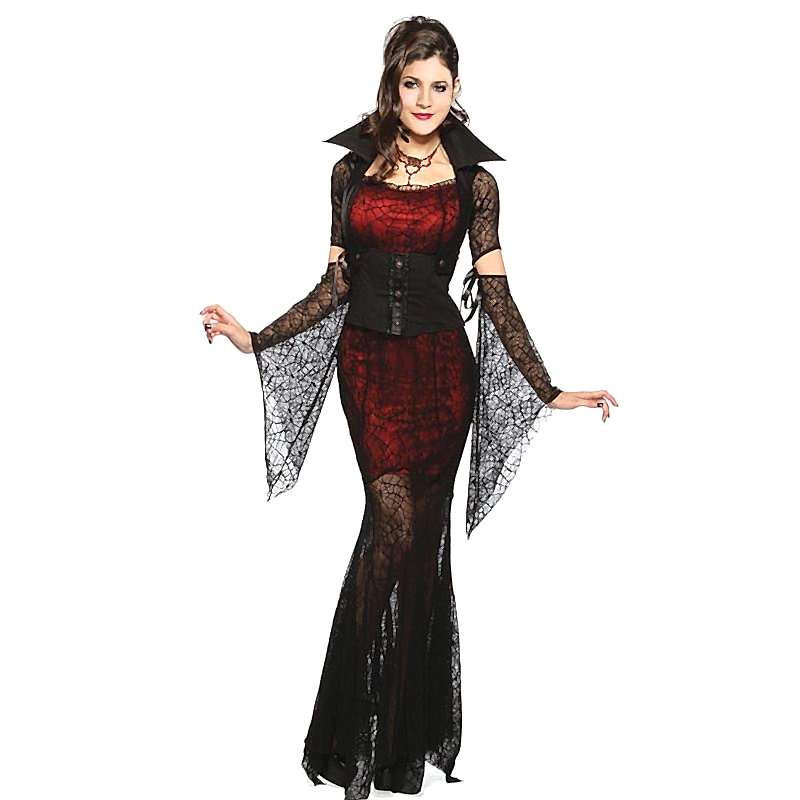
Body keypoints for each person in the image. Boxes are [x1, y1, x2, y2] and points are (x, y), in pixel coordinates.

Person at [199, 15, 617, 799]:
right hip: (369, 370)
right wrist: (257, 339)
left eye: (440, 85)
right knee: (390, 527)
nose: (425, 99)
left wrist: (547, 389)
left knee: (420, 545)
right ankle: (354, 739)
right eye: (412, 83)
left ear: (457, 90)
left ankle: (392, 749)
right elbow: (336, 283)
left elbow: (496, 295)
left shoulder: (476, 183)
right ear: (393, 85)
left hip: (442, 374)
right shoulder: (351, 170)